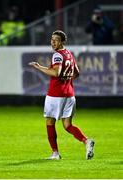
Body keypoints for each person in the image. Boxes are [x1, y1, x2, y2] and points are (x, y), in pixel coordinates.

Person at [29, 30, 95, 160]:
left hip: (56, 94)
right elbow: (77, 73)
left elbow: (56, 73)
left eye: (56, 40)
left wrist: (39, 67)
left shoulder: (57, 55)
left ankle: (55, 153)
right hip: (69, 94)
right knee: (67, 125)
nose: (53, 42)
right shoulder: (69, 54)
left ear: (62, 41)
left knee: (49, 122)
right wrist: (67, 79)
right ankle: (86, 141)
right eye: (52, 39)